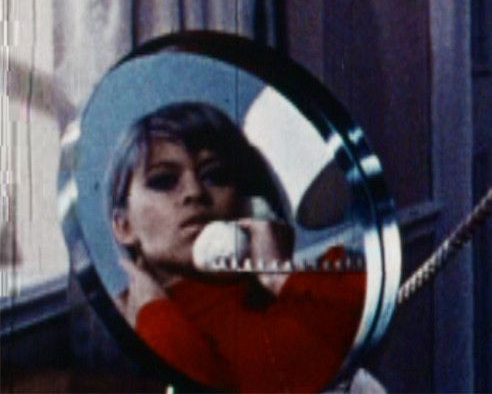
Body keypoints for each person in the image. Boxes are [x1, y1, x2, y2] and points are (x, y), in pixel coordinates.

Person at [108, 102, 366, 394]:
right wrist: (157, 316)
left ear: (249, 204)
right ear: (124, 225)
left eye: (215, 176)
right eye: (164, 180)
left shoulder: (313, 285)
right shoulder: (123, 338)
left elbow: (371, 317)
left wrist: (278, 276)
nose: (195, 192)